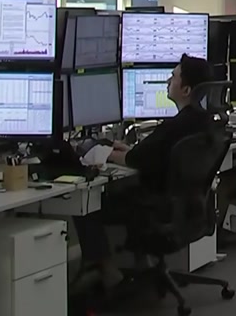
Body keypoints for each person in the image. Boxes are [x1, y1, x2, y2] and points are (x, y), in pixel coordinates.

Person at [75, 54, 214, 288]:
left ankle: (109, 271)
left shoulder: (174, 125)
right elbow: (154, 153)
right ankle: (143, 263)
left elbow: (135, 159)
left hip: (160, 207)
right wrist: (129, 150)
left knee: (85, 207)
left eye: (173, 77)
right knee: (129, 194)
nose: (168, 81)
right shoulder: (203, 121)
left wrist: (103, 152)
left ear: (186, 90)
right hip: (186, 207)